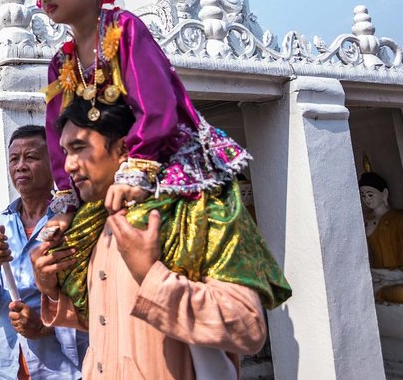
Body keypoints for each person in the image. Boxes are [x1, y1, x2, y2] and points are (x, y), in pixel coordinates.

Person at [24, 0, 250, 237]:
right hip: (97, 178)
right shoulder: (61, 63)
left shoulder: (124, 29)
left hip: (159, 161)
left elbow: (156, 107)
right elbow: (59, 135)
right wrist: (67, 198)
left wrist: (138, 168)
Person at [32, 97, 273, 379]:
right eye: (64, 151)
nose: (69, 166)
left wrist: (150, 274)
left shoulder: (191, 210)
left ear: (123, 149)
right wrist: (50, 289)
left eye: (79, 148)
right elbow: (108, 321)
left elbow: (247, 327)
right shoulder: (95, 221)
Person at [0, 125, 88, 379]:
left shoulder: (71, 222)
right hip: (12, 366)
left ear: (53, 162)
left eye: (31, 157)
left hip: (64, 368)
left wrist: (42, 328)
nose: (20, 166)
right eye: (14, 159)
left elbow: (89, 305)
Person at [358, 169, 403, 305]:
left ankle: (381, 293)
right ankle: (379, 292)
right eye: (363, 195)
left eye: (370, 194)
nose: (367, 199)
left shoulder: (402, 219)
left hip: (402, 279)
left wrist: (386, 275)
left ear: (384, 193)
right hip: (375, 280)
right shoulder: (363, 221)